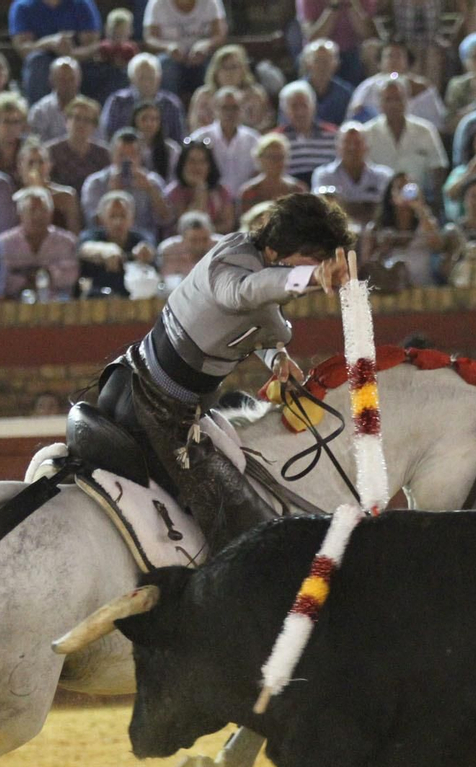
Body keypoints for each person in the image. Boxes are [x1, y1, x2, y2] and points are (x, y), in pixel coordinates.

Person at [89, 190, 350, 552]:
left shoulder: (260, 267)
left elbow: (259, 321)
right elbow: (243, 294)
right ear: (285, 247)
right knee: (237, 525)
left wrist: (277, 360)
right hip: (150, 410)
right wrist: (309, 276)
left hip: (167, 404)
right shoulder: (232, 260)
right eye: (314, 258)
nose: (317, 273)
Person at [362, 75, 448, 195]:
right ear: (379, 102)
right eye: (388, 99)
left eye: (398, 99)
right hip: (378, 201)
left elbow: (438, 167)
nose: (393, 104)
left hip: (417, 199)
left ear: (407, 100)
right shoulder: (367, 133)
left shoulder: (425, 130)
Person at [81, 126, 171, 234]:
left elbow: (167, 219)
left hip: (143, 238)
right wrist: (111, 194)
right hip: (105, 238)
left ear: (140, 156)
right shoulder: (95, 182)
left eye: (132, 155)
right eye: (122, 155)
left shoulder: (153, 181)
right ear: (112, 155)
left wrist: (151, 191)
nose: (127, 160)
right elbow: (93, 222)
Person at [357, 172, 440, 289]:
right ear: (391, 197)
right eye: (399, 188)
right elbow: (366, 268)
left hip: (424, 291)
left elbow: (437, 245)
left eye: (409, 187)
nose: (405, 192)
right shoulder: (376, 228)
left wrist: (420, 208)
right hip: (389, 293)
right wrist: (383, 248)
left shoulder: (425, 222)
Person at [10, 0, 101, 104]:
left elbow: (92, 45)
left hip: (78, 60)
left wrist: (70, 54)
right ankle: (39, 115)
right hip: (43, 65)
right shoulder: (23, 6)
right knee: (37, 63)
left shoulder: (82, 4)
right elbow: (23, 49)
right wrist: (50, 43)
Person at [0, 184, 78, 298]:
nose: (38, 215)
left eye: (43, 210)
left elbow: (71, 273)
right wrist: (25, 282)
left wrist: (47, 275)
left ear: (51, 213)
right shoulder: (4, 243)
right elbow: (0, 276)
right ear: (20, 214)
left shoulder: (66, 241)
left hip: (58, 304)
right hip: (14, 305)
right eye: (32, 210)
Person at [143, 0, 228, 99]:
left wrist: (205, 45)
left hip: (203, 56)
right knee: (165, 65)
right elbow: (150, 38)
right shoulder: (157, 3)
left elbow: (220, 34)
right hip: (172, 57)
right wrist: (168, 47)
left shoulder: (211, 2)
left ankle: (209, 104)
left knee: (214, 65)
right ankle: (169, 105)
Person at [311, 122, 393, 224]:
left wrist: (344, 205)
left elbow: (388, 210)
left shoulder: (384, 176)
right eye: (347, 142)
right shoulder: (323, 175)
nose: (352, 147)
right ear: (338, 146)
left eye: (357, 142)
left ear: (367, 146)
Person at [77, 187, 153, 293]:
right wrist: (106, 250)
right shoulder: (92, 236)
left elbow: (149, 248)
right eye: (112, 216)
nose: (118, 222)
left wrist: (145, 253)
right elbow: (84, 248)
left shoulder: (141, 238)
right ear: (101, 219)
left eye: (123, 216)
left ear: (132, 219)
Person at [189, 87, 261, 197]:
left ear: (242, 109)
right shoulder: (200, 138)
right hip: (211, 201)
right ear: (215, 109)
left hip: (245, 202)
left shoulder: (253, 139)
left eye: (235, 108)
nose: (230, 113)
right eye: (225, 108)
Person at [100, 52, 186, 143]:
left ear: (159, 78)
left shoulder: (171, 104)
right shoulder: (118, 101)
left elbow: (178, 139)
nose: (146, 83)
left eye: (150, 78)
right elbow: (107, 134)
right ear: (132, 79)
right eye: (142, 78)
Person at [186, 42, 271, 132]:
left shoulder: (255, 94)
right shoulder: (203, 95)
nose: (229, 73)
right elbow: (196, 127)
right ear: (215, 71)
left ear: (243, 70)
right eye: (224, 67)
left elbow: (265, 125)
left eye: (234, 67)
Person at [295, 0, 375, 86]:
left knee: (370, 49)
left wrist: (351, 5)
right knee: (318, 58)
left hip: (353, 51)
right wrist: (333, 7)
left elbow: (367, 34)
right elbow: (313, 37)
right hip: (321, 51)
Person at [275, 80, 337, 186]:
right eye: (294, 106)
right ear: (285, 110)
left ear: (313, 106)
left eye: (304, 105)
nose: (300, 112)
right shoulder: (276, 138)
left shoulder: (333, 135)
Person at [16, 136, 81, 232]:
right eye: (31, 162)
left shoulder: (66, 196)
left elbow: (74, 232)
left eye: (41, 162)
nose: (36, 167)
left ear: (49, 165)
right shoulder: (15, 198)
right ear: (21, 167)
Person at [48, 96, 110, 191]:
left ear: (94, 126)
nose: (81, 124)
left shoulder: (104, 154)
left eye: (87, 120)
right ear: (67, 121)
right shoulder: (51, 152)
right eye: (77, 118)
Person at [238, 132, 306, 217]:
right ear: (260, 159)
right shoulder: (249, 191)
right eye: (271, 157)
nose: (277, 162)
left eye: (281, 157)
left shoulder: (297, 190)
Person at [296, 38, 351, 127]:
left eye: (326, 61)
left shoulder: (345, 93)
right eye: (317, 61)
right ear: (308, 64)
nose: (322, 66)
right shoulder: (295, 92)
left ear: (336, 64)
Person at [30, 56, 84, 145]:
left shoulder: (90, 111)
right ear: (52, 80)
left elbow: (99, 142)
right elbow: (37, 146)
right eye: (62, 79)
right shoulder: (40, 111)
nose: (67, 84)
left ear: (79, 79)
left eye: (71, 79)